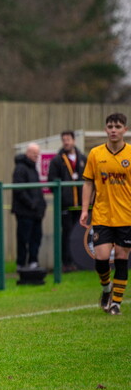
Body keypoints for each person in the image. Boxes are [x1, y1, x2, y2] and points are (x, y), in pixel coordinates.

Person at [81, 113, 131, 315]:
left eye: (117, 126)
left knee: (121, 258)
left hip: (126, 216)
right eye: (110, 126)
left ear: (124, 130)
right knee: (101, 259)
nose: (113, 130)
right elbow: (88, 182)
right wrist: (85, 209)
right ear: (105, 129)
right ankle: (106, 289)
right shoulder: (95, 153)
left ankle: (116, 303)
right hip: (102, 215)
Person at [46, 130, 86, 271]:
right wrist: (63, 195)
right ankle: (66, 263)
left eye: (68, 139)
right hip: (66, 205)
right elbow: (51, 181)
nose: (66, 142)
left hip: (81, 205)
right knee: (67, 233)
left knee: (81, 233)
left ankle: (80, 262)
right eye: (64, 140)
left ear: (74, 140)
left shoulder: (82, 158)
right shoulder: (57, 160)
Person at [12, 143, 46, 270]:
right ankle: (21, 263)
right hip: (25, 212)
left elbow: (37, 190)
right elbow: (19, 190)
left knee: (36, 238)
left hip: (36, 212)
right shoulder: (20, 168)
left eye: (37, 153)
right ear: (28, 153)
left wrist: (40, 206)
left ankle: (33, 261)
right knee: (23, 238)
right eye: (34, 153)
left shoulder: (33, 168)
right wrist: (31, 203)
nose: (36, 156)